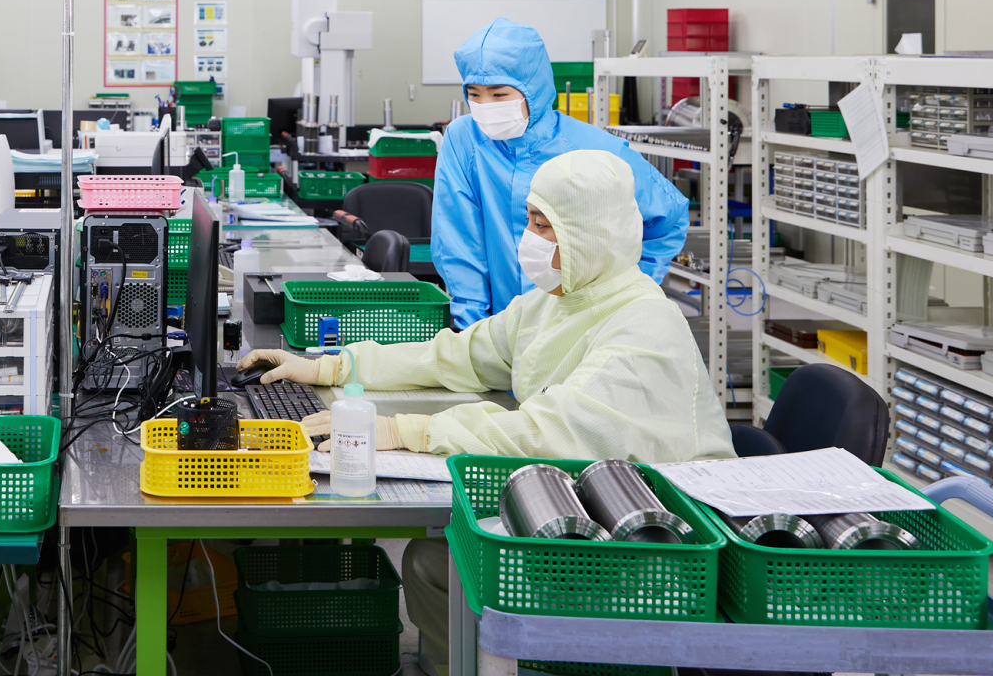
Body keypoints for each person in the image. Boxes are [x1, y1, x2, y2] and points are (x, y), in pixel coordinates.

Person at [237, 149, 732, 675]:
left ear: (591, 234)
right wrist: (332, 368)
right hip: (584, 513)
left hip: (655, 552)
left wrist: (405, 430)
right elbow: (461, 353)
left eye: (546, 226)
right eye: (530, 221)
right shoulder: (559, 298)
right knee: (430, 562)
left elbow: (552, 432)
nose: (530, 240)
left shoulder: (643, 325)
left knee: (438, 563)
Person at [434, 18, 688, 325]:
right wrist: (474, 329)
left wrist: (620, 297)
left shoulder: (594, 148)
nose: (485, 106)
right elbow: (459, 240)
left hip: (581, 326)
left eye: (499, 95)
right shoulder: (465, 139)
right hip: (497, 325)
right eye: (474, 95)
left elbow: (669, 218)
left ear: (533, 89)